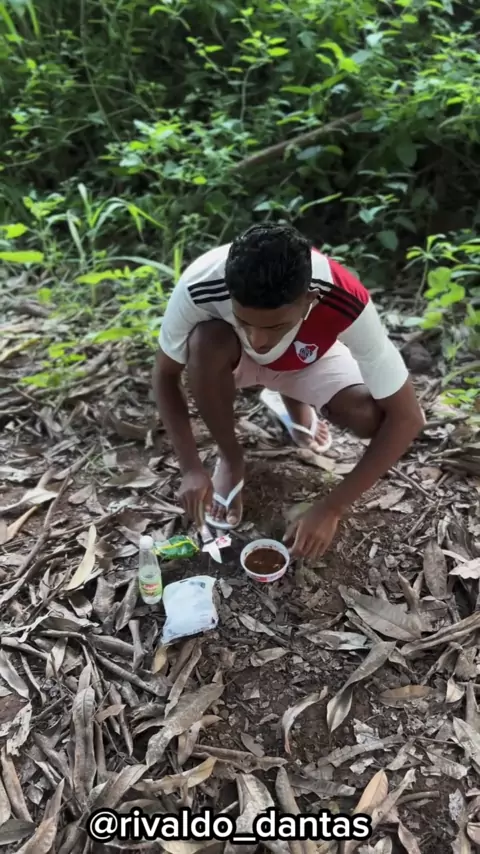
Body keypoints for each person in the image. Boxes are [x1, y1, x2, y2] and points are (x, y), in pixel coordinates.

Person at [153, 223, 425, 559]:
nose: (258, 340)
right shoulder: (200, 284)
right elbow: (164, 375)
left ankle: (294, 404)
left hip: (306, 358)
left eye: (275, 325)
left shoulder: (345, 299)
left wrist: (332, 507)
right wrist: (192, 468)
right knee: (205, 342)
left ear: (310, 299)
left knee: (369, 418)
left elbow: (408, 417)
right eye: (244, 321)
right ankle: (231, 457)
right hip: (231, 360)